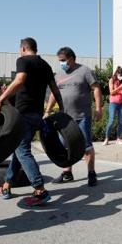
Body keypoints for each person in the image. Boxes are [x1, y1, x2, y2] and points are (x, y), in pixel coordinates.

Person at [0, 37, 64, 206]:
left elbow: (19, 80)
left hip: (22, 114)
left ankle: (40, 190)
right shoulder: (45, 65)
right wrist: (62, 110)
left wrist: (0, 100)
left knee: (22, 150)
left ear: (23, 48)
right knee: (19, 150)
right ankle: (7, 185)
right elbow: (54, 89)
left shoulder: (23, 60)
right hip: (36, 115)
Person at [45, 47, 102, 186]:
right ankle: (67, 173)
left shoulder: (85, 71)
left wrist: (99, 108)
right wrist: (47, 111)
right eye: (59, 61)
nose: (61, 63)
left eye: (63, 60)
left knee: (86, 146)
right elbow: (53, 94)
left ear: (71, 58)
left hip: (82, 116)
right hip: (65, 119)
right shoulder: (58, 75)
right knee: (64, 146)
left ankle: (91, 173)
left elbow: (96, 88)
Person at [104, 66, 122, 146]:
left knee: (121, 122)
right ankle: (106, 138)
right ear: (117, 73)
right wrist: (119, 87)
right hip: (113, 103)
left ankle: (118, 139)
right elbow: (111, 92)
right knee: (111, 120)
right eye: (121, 74)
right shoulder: (112, 80)